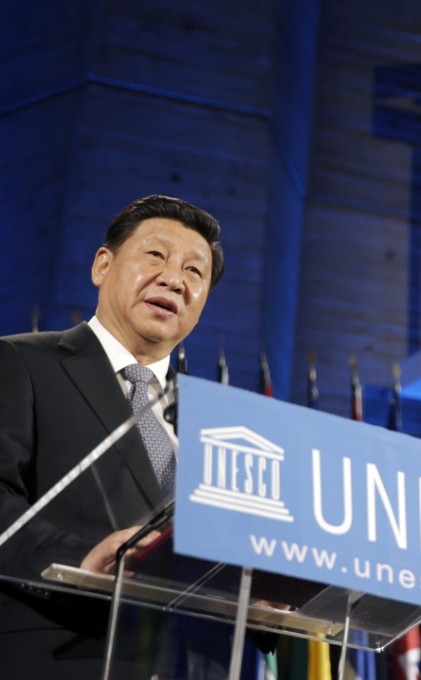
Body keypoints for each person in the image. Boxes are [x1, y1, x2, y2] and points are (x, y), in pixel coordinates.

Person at [0, 194, 226, 677]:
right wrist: (78, 561)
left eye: (195, 272)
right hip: (63, 655)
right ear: (103, 265)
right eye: (155, 256)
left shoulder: (216, 422)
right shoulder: (21, 363)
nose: (174, 279)